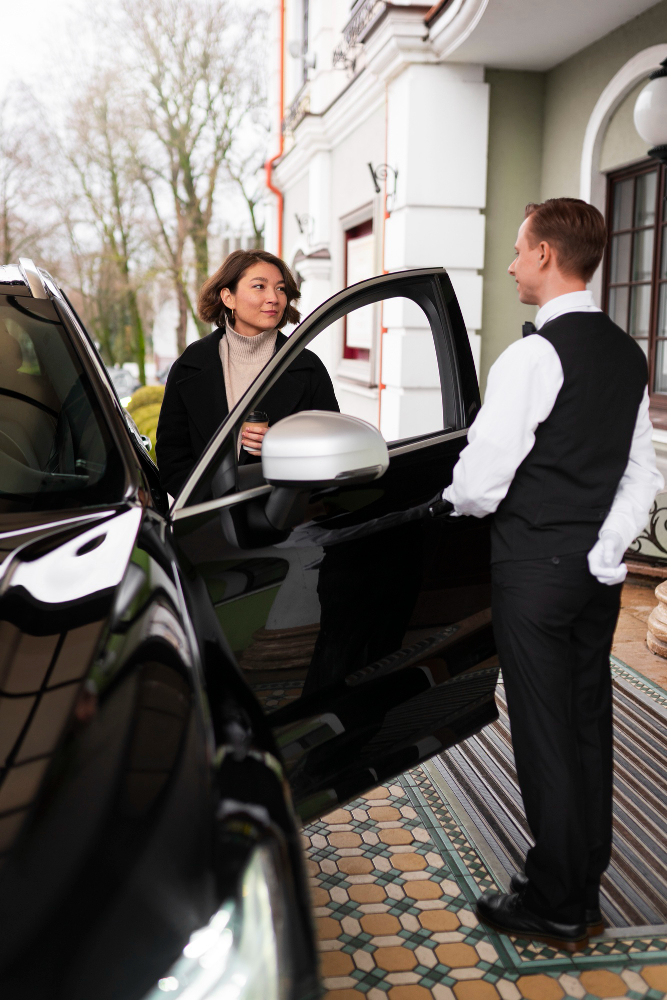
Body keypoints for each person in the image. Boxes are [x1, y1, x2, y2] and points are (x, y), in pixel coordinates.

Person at [441, 198, 663, 952]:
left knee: (543, 735)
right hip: (596, 573)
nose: (510, 265)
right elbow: (641, 470)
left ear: (543, 254)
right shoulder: (626, 353)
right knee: (586, 725)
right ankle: (582, 886)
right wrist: (608, 547)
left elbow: (481, 479)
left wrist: (448, 504)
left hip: (534, 570)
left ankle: (556, 902)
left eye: (516, 250)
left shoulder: (533, 355)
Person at [156, 249, 339, 498]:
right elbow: (171, 457)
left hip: (285, 515)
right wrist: (211, 507)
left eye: (280, 288)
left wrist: (282, 450)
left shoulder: (308, 367)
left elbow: (331, 451)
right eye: (259, 286)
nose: (273, 298)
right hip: (208, 515)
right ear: (228, 297)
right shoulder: (190, 365)